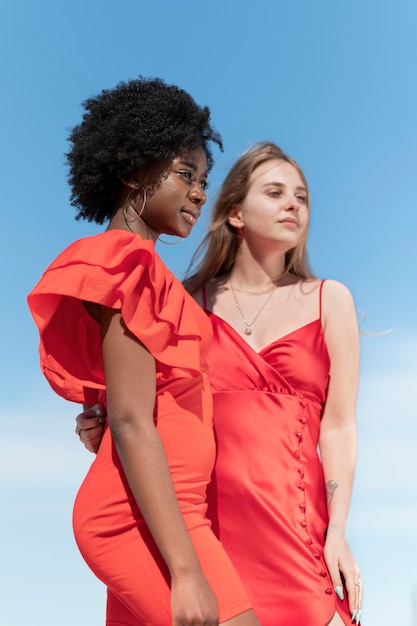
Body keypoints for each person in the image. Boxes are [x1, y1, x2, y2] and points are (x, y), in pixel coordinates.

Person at [77, 141, 363, 626]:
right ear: (234, 212)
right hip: (199, 532)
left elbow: (338, 428)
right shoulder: (185, 303)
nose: (294, 204)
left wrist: (337, 533)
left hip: (296, 533)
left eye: (302, 196)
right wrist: (99, 423)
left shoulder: (330, 300)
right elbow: (141, 410)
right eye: (275, 192)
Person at [28, 77, 261, 626]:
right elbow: (133, 421)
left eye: (204, 179)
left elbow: (133, 407)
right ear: (134, 170)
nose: (201, 192)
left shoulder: (148, 273)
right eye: (186, 174)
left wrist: (103, 422)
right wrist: (186, 572)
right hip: (135, 518)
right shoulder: (123, 265)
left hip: (167, 510)